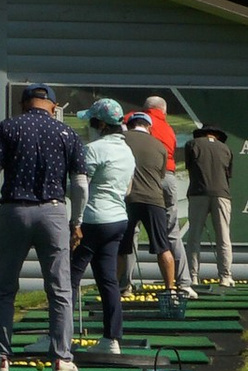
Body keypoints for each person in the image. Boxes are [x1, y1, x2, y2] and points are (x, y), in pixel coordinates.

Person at [0, 83, 86, 371]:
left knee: (3, 287)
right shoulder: (68, 133)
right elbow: (79, 183)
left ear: (23, 104)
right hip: (53, 210)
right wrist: (76, 221)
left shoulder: (8, 127)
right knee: (59, 288)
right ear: (53, 107)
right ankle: (62, 357)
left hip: (14, 209)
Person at [70, 98, 137, 352]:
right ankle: (112, 339)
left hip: (93, 220)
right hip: (118, 219)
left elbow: (80, 188)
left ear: (100, 124)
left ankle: (59, 335)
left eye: (91, 122)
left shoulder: (94, 149)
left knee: (69, 278)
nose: (89, 126)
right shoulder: (126, 150)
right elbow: (128, 189)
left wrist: (74, 219)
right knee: (108, 280)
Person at [128, 104, 187, 310]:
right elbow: (162, 176)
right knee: (164, 245)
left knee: (123, 247)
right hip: (154, 199)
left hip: (128, 199)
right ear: (149, 127)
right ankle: (171, 289)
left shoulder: (122, 140)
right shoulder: (160, 145)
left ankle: (122, 287)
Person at [186, 119, 234, 288]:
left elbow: (189, 167)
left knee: (194, 237)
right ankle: (225, 276)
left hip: (198, 193)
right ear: (218, 135)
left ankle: (192, 277)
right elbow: (228, 174)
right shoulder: (226, 149)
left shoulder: (192, 144)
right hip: (222, 195)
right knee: (224, 237)